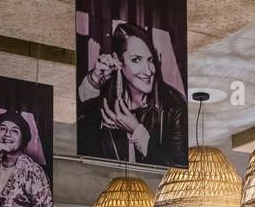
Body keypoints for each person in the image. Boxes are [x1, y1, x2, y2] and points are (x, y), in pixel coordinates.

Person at [77, 22, 187, 166]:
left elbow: (178, 168)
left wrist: (137, 131)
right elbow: (78, 130)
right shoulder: (107, 96)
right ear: (118, 61)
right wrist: (94, 80)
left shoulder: (174, 106)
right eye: (136, 60)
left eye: (150, 60)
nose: (148, 71)